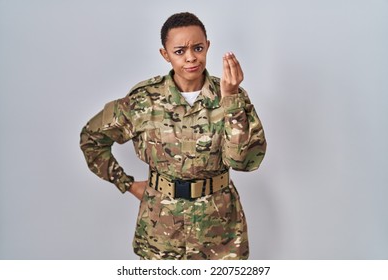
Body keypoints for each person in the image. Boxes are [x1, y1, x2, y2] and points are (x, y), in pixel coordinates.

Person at [80, 12, 266, 260]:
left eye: (198, 48)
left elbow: (245, 162)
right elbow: (91, 138)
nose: (191, 57)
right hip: (161, 228)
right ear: (165, 54)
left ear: (207, 47)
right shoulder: (143, 100)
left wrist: (230, 99)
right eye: (179, 51)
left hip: (219, 228)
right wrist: (125, 183)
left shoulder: (231, 95)